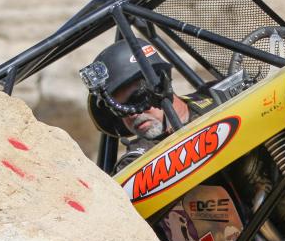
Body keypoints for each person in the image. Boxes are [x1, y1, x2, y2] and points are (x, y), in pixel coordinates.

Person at [82, 38, 212, 171]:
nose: (132, 114)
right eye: (119, 110)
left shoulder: (216, 95)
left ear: (163, 83)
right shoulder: (134, 164)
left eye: (137, 98)